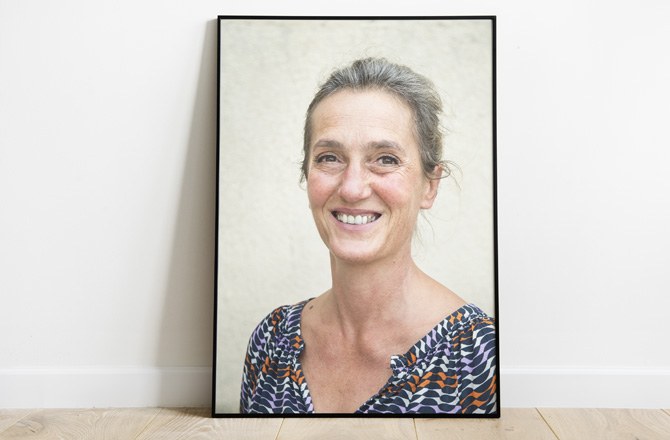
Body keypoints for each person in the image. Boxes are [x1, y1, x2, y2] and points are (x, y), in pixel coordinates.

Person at [240, 57, 497, 414]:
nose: (352, 188)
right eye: (329, 157)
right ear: (307, 174)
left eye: (386, 159)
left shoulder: (481, 356)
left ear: (430, 186)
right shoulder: (271, 341)